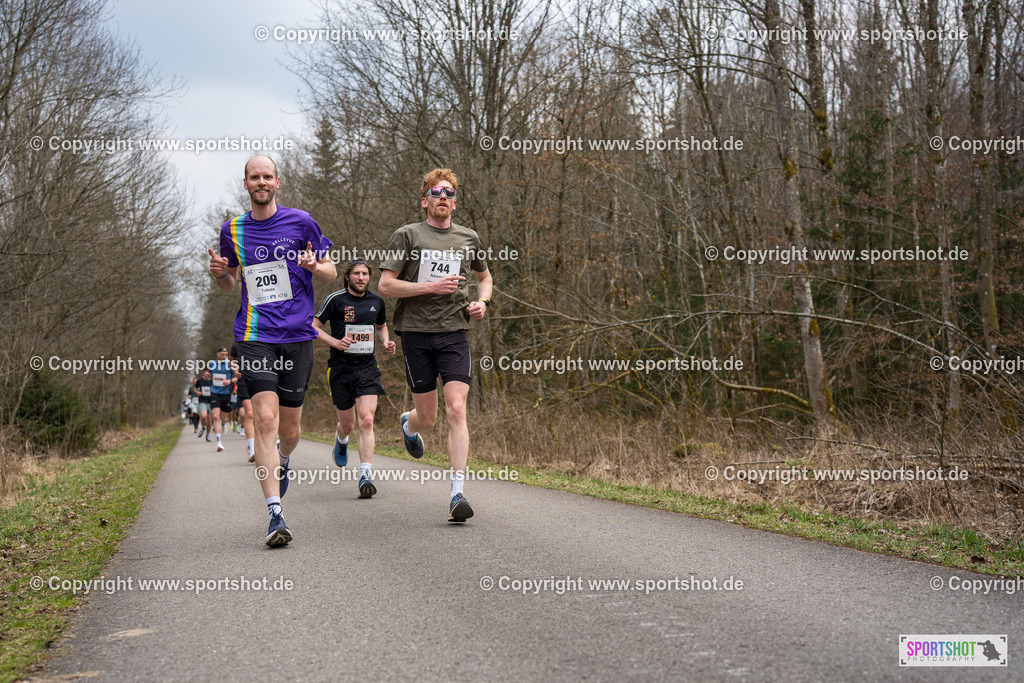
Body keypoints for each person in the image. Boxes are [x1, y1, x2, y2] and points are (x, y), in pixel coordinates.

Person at [208, 154, 336, 547]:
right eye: (254, 177)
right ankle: (275, 513)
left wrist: (316, 267)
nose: (261, 182)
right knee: (265, 418)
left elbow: (331, 271)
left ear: (277, 182)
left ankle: (283, 460)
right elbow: (230, 283)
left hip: (297, 334)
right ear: (245, 183)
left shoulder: (302, 222)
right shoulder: (232, 229)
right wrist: (219, 275)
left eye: (267, 176)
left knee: (290, 429)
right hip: (254, 333)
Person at [378, 168, 492, 523]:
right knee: (428, 419)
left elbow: (484, 277)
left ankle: (457, 493)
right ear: (424, 200)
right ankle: (408, 425)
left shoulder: (468, 237)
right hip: (415, 332)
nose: (444, 198)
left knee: (457, 409)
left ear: (455, 203)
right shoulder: (408, 235)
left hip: (454, 332)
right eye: (437, 192)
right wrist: (430, 287)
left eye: (450, 194)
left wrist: (482, 303)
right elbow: (385, 286)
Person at [312, 259, 396, 498]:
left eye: (365, 274)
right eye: (357, 274)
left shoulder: (376, 301)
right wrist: (336, 342)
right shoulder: (335, 300)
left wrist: (386, 342)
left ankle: (365, 474)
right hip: (340, 369)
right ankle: (341, 438)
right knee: (348, 425)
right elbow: (313, 327)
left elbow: (381, 326)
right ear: (347, 277)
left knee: (367, 420)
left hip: (367, 367)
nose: (361, 278)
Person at [230, 342, 256, 462]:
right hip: (244, 381)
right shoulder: (238, 344)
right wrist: (235, 371)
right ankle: (252, 448)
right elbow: (232, 360)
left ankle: (267, 443)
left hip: (262, 379)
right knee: (249, 414)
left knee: (263, 415)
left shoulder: (265, 336)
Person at [208, 346, 234, 452]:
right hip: (214, 393)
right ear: (218, 354)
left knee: (223, 418)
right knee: (215, 417)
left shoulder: (230, 365)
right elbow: (208, 374)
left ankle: (223, 424)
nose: (224, 357)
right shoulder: (211, 364)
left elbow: (237, 377)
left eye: (226, 355)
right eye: (222, 355)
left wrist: (230, 381)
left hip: (226, 394)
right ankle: (219, 442)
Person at [193, 369, 213, 440]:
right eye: (207, 372)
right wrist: (197, 392)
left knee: (210, 421)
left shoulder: (212, 381)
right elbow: (195, 388)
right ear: (204, 373)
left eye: (209, 372)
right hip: (202, 401)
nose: (208, 373)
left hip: (211, 402)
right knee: (204, 415)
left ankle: (207, 435)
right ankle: (203, 427)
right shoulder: (200, 380)